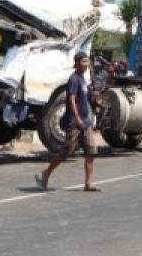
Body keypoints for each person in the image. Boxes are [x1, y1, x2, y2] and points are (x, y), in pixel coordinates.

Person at [37, 52, 99, 192]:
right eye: (83, 61)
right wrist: (77, 118)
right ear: (76, 63)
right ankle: (46, 173)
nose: (86, 64)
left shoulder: (83, 80)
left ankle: (88, 183)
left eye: (87, 61)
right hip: (74, 123)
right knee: (67, 152)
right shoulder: (74, 79)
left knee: (91, 151)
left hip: (86, 123)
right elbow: (71, 99)